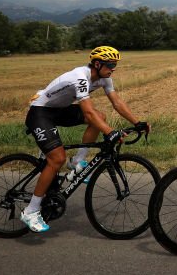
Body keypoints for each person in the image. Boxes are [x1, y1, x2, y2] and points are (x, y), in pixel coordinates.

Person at [20, 46, 149, 233]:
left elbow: (117, 102)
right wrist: (110, 132)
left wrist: (138, 122)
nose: (113, 68)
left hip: (60, 110)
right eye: (111, 64)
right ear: (97, 64)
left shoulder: (104, 79)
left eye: (115, 65)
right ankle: (31, 211)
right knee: (57, 159)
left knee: (100, 117)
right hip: (41, 112)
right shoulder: (80, 77)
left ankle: (77, 162)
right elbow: (87, 111)